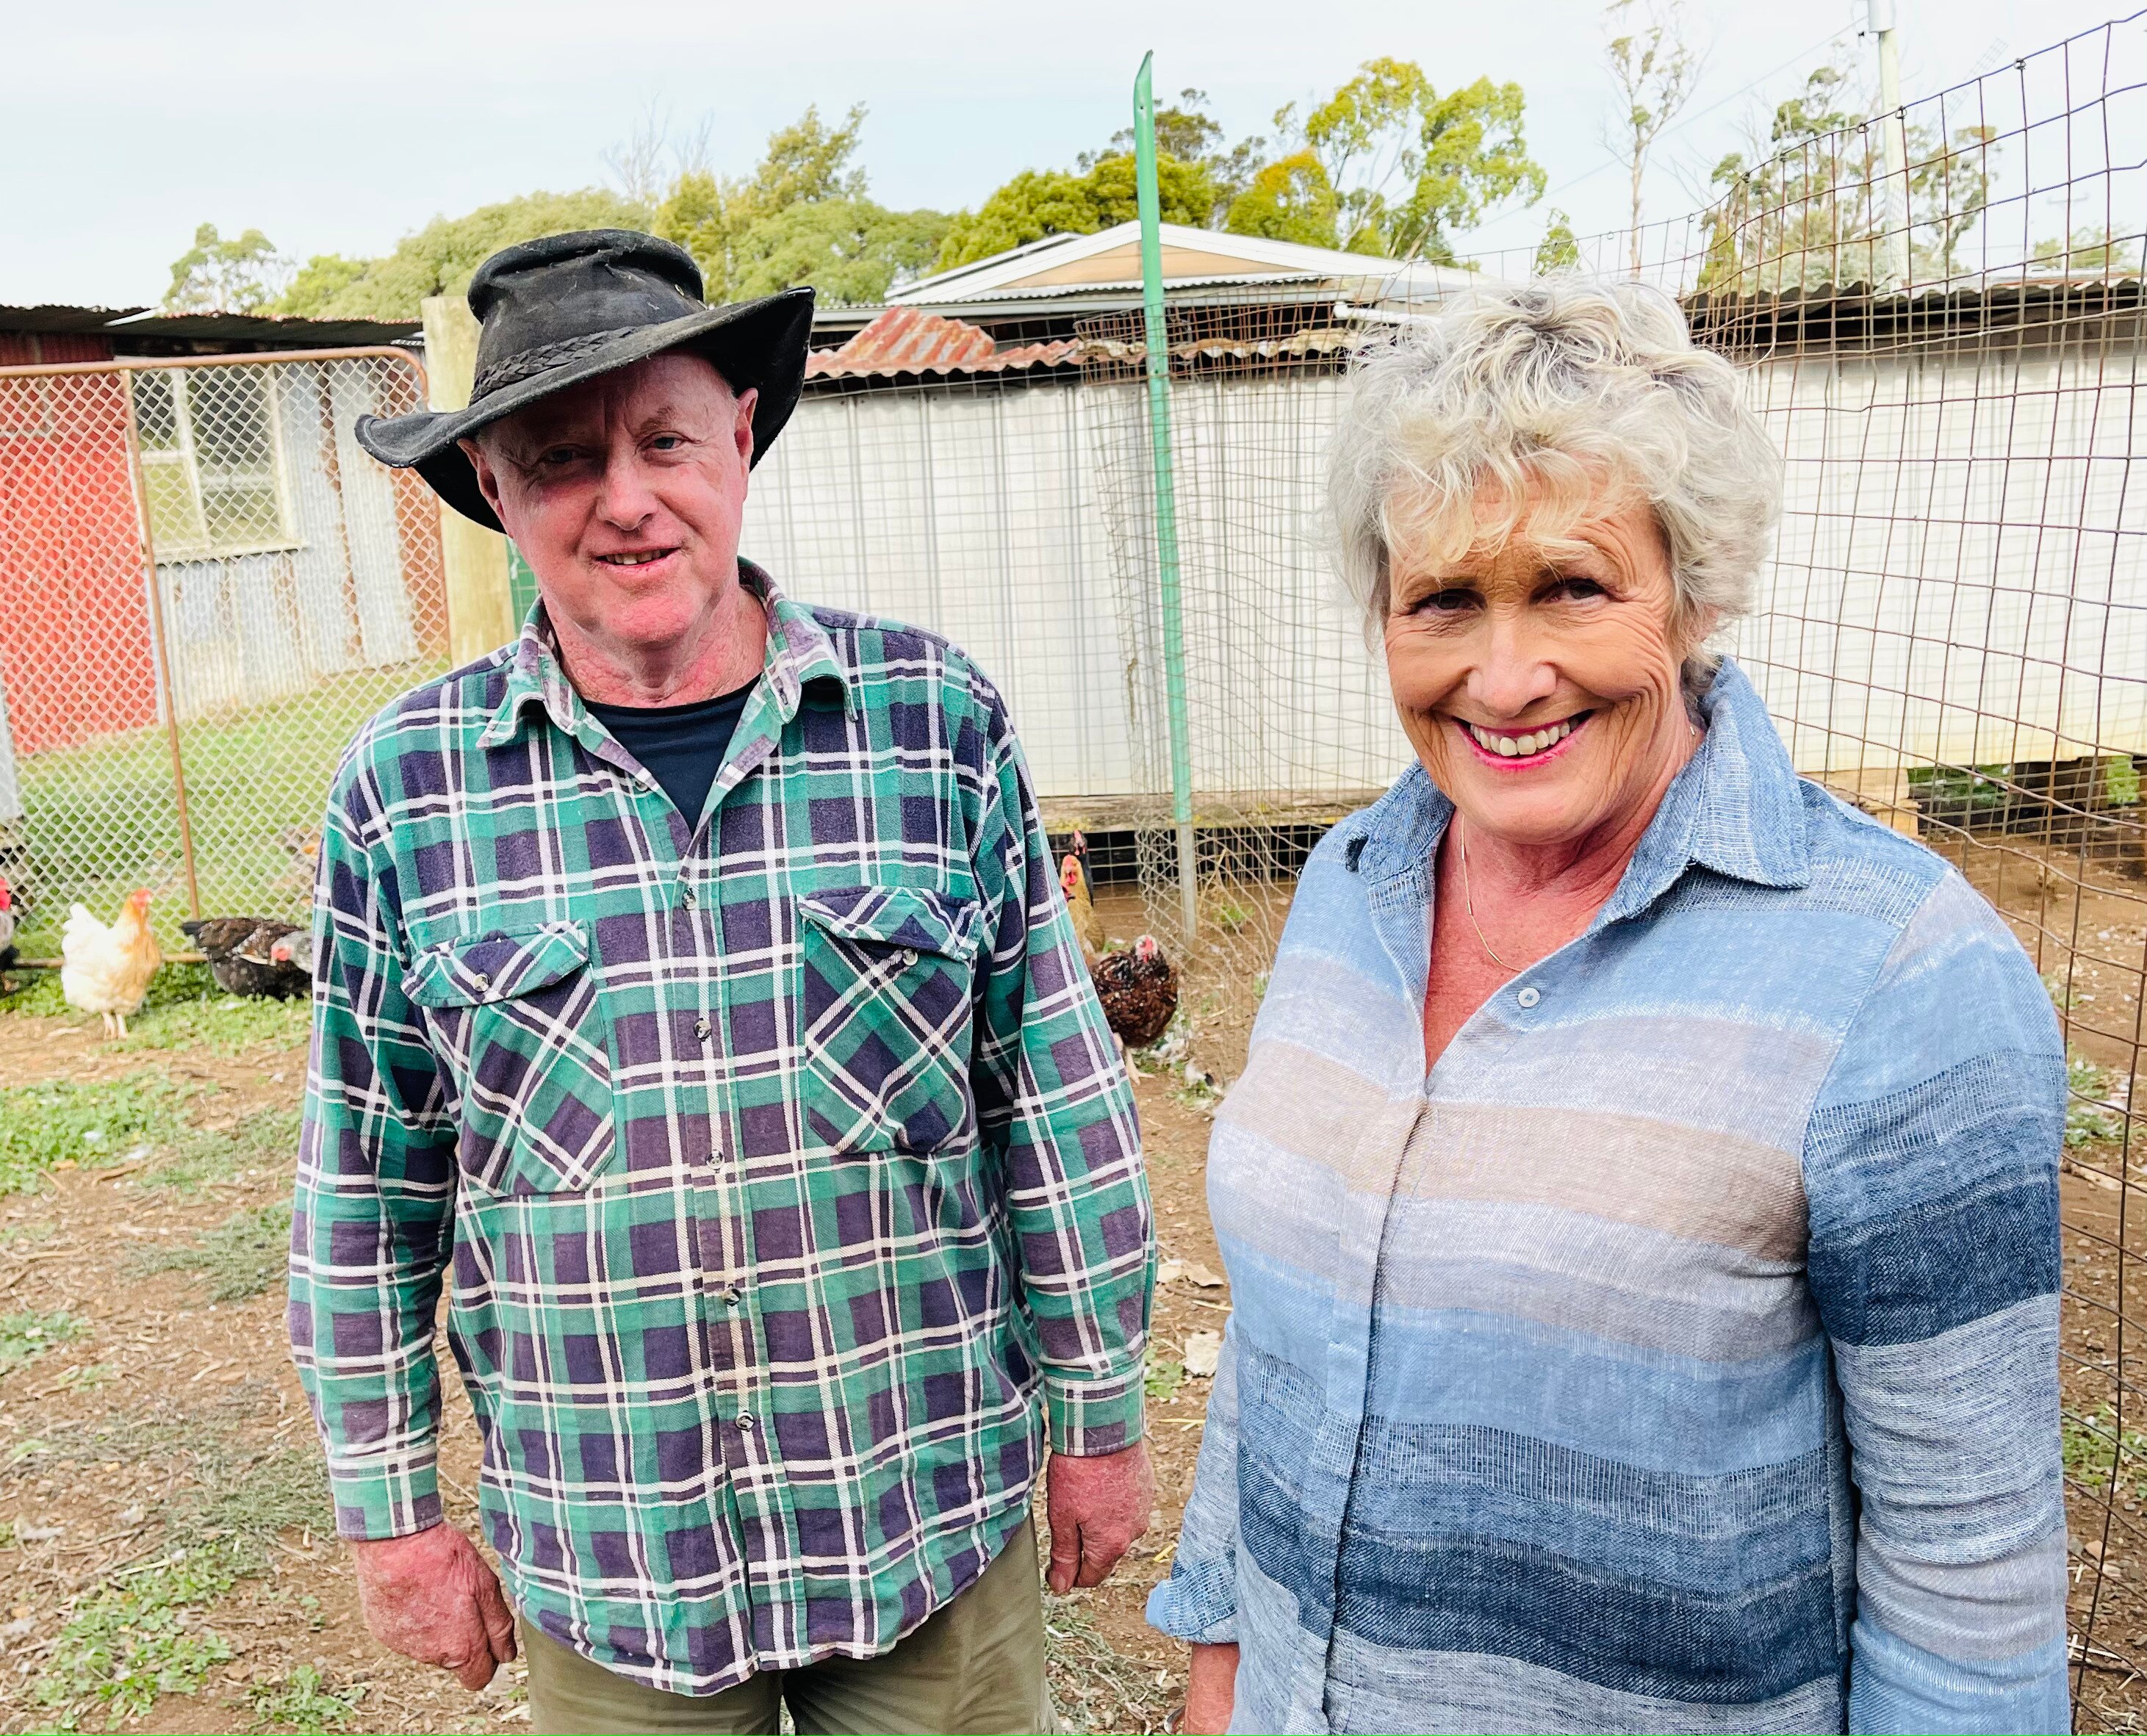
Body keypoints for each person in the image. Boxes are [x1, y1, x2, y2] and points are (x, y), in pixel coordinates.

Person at [1149, 280, 2068, 1735]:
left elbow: (1971, 1586)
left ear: (1695, 593)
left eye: (1571, 588)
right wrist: (1217, 1668)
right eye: (1444, 600)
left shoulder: (1905, 982)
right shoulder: (1349, 888)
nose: (1506, 680)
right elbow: (1282, 1341)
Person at [289, 230, 1155, 1736]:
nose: (626, 498)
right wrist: (387, 1517)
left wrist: (1097, 1417)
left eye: (666, 439)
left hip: (919, 1521)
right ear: (494, 489)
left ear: (741, 438)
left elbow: (1054, 1105)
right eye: (562, 457)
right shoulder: (406, 793)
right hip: (616, 1565)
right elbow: (365, 1197)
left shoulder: (930, 728)